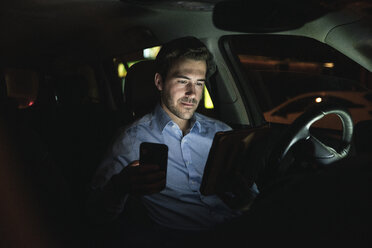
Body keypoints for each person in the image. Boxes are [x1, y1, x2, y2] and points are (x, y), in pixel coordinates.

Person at [88, 37, 258, 246]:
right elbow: (95, 214)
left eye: (199, 83)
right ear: (159, 82)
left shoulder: (222, 132)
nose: (192, 93)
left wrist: (244, 196)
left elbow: (251, 200)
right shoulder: (132, 139)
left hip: (241, 231)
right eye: (182, 81)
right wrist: (120, 186)